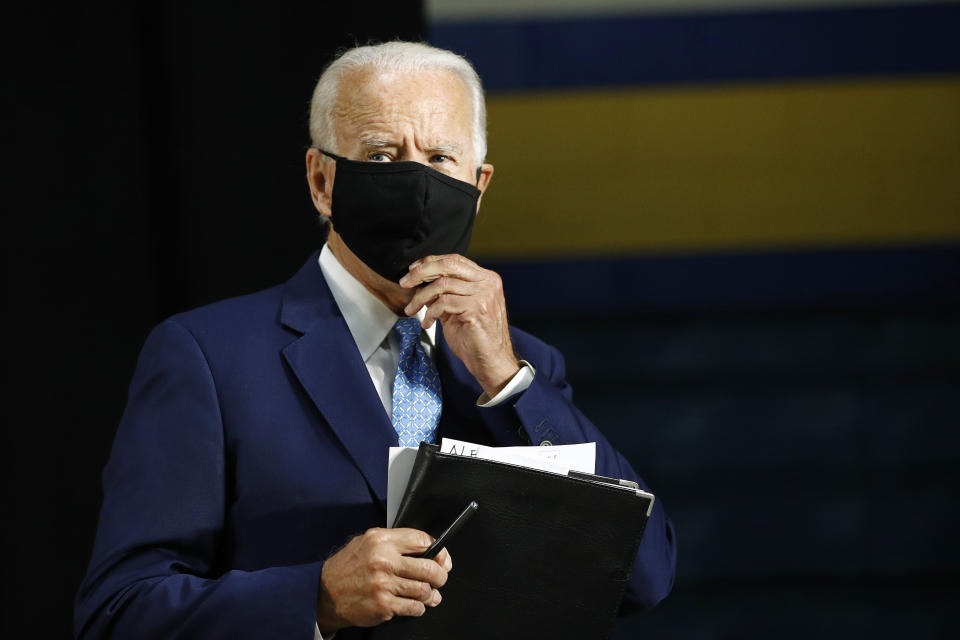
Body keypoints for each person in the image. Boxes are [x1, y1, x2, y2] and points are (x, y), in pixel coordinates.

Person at [75, 41, 676, 639]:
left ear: (480, 183)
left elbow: (640, 576)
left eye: (441, 158)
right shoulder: (206, 358)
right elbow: (119, 613)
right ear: (321, 181)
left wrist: (507, 380)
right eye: (383, 156)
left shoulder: (525, 366)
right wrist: (316, 598)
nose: (416, 182)